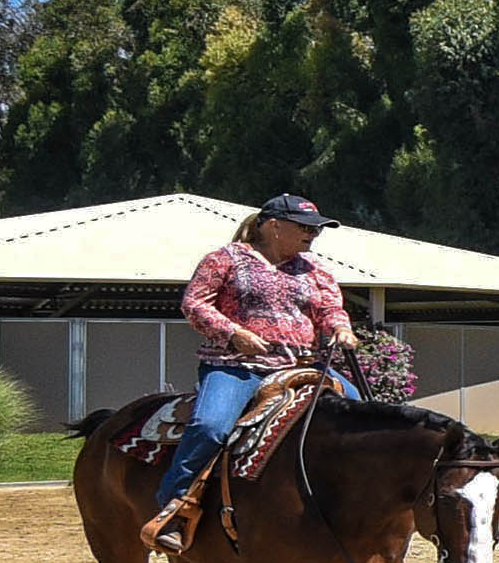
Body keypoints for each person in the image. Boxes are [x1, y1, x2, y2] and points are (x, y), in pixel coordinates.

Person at [158, 194, 370, 532]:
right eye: (305, 228)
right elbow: (195, 304)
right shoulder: (224, 259)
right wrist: (233, 334)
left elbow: (330, 309)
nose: (313, 235)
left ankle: (359, 502)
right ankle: (176, 505)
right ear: (274, 226)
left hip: (303, 365)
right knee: (211, 426)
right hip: (236, 366)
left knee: (362, 419)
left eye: (316, 229)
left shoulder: (316, 270)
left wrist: (340, 329)